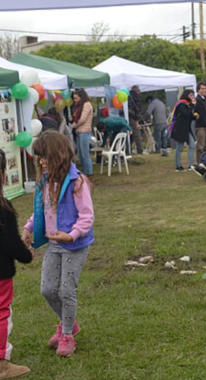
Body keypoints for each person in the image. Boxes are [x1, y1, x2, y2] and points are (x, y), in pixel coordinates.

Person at [22, 131, 94, 357]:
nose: (40, 161)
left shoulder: (77, 182)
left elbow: (87, 217)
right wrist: (28, 228)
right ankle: (69, 324)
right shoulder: (46, 182)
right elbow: (42, 212)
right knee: (47, 289)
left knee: (65, 290)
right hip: (54, 244)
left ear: (57, 155)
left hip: (74, 245)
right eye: (39, 157)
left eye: (44, 156)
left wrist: (71, 235)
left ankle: (67, 335)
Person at [0, 149, 33, 379]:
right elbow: (11, 244)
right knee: (2, 314)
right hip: (1, 275)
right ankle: (2, 363)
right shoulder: (4, 210)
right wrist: (27, 253)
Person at [170, 90, 197, 172]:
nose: (192, 97)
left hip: (186, 129)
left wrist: (195, 116)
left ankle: (191, 164)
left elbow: (189, 116)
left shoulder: (188, 104)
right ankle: (178, 166)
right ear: (186, 95)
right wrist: (192, 105)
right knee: (180, 147)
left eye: (193, 95)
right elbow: (186, 114)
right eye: (191, 95)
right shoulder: (181, 104)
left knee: (192, 145)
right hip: (179, 129)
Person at [72, 88, 93, 176]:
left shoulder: (87, 105)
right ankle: (85, 171)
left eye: (76, 98)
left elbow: (83, 119)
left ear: (81, 97)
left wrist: (74, 125)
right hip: (80, 132)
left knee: (85, 154)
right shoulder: (80, 106)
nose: (74, 100)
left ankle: (88, 172)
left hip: (84, 132)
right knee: (80, 154)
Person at [194, 82, 206, 163]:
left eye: (205, 88)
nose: (204, 90)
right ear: (198, 90)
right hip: (201, 126)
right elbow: (202, 114)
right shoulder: (197, 100)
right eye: (202, 88)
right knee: (200, 146)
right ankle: (200, 163)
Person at [128, 85, 144, 154]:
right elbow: (137, 109)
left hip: (126, 116)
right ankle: (140, 150)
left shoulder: (128, 96)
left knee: (129, 134)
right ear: (136, 90)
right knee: (137, 134)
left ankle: (128, 149)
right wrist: (137, 120)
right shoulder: (135, 97)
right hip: (133, 117)